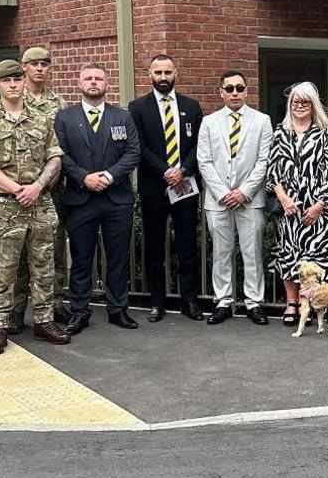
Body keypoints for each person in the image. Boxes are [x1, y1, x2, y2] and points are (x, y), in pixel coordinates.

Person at [0, 60, 71, 354]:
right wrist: (16, 189)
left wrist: (38, 186)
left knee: (43, 266)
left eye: (17, 79)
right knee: (2, 269)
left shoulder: (41, 120)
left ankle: (44, 320)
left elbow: (55, 157)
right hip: (5, 204)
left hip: (39, 203)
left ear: (23, 82)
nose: (14, 84)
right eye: (7, 80)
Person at [55, 64, 140, 334]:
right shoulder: (64, 118)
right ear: (79, 83)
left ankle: (118, 309)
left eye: (99, 78)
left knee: (117, 257)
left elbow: (132, 152)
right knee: (81, 258)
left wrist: (109, 176)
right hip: (81, 199)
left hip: (117, 199)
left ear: (107, 83)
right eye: (88, 78)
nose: (94, 82)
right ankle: (79, 312)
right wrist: (83, 178)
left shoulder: (122, 117)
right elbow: (60, 155)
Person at [267, 82, 328, 326]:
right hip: (289, 209)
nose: (300, 106)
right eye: (296, 102)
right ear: (289, 105)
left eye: (305, 102)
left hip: (316, 208)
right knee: (289, 256)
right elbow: (272, 171)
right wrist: (283, 199)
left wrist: (319, 205)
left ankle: (316, 306)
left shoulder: (323, 133)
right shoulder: (280, 132)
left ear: (313, 105)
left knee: (317, 257)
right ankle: (293, 304)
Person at [128, 54, 205, 322]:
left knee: (187, 246)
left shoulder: (192, 106)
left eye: (168, 72)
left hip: (185, 186)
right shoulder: (137, 107)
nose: (163, 77)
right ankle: (157, 302)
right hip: (154, 187)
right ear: (149, 74)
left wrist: (182, 170)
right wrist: (165, 171)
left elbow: (199, 146)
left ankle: (190, 301)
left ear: (176, 74)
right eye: (158, 72)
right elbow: (138, 147)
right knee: (154, 247)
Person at [197, 70, 274, 325]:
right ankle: (224, 302)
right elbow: (204, 162)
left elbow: (264, 161)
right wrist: (223, 193)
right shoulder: (208, 122)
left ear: (246, 91)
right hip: (218, 202)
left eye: (239, 88)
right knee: (221, 252)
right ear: (221, 92)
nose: (234, 93)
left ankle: (253, 303)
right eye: (229, 89)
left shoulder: (262, 121)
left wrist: (244, 192)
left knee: (252, 252)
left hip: (250, 200)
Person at [21, 46, 71, 323]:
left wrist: (50, 179)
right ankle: (17, 307)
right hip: (19, 188)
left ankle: (54, 301)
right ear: (24, 67)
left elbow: (61, 146)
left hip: (52, 187)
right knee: (17, 251)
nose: (40, 68)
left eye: (45, 64)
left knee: (53, 246)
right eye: (34, 64)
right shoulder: (15, 97)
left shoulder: (58, 103)